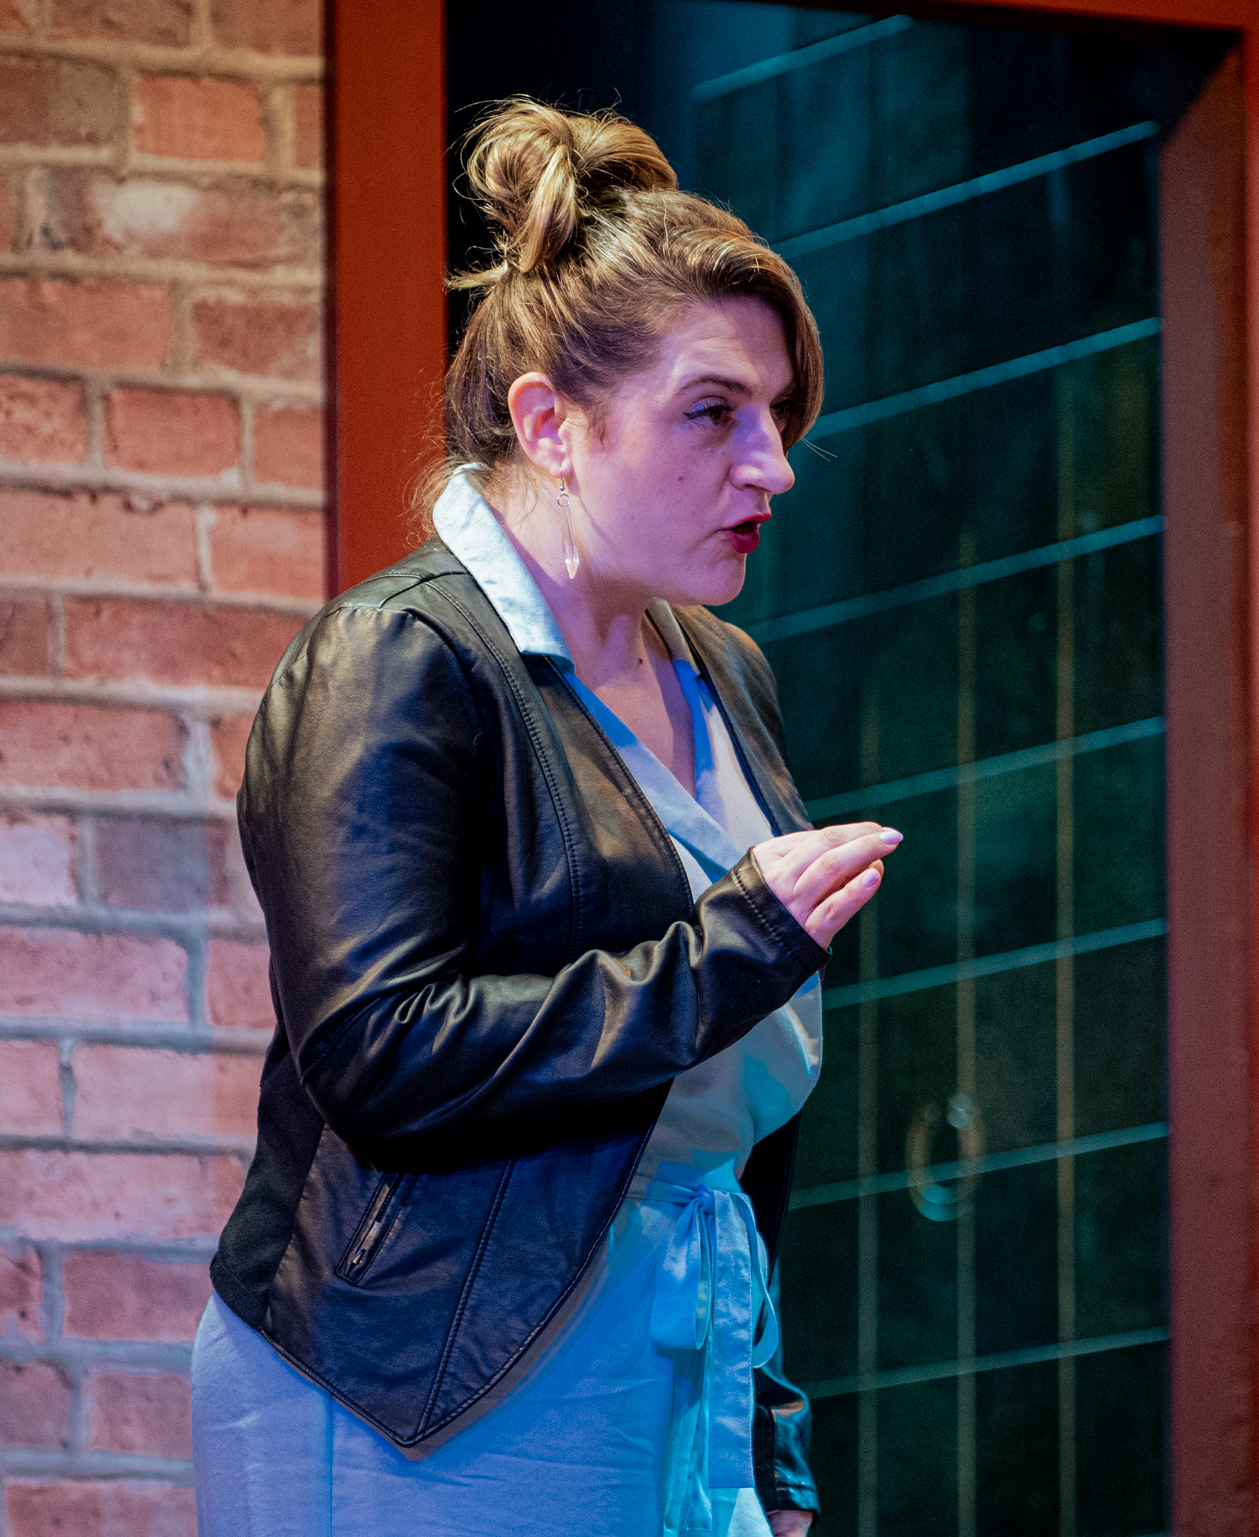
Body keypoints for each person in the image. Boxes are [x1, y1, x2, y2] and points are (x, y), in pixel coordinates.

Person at [190, 100, 897, 1537]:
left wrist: (768, 1428)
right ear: (549, 426)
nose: (773, 465)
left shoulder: (722, 672)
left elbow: (734, 1110)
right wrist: (723, 956)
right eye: (715, 412)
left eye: (777, 417)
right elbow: (379, 1051)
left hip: (681, 1359)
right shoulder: (401, 657)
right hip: (420, 1383)